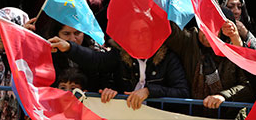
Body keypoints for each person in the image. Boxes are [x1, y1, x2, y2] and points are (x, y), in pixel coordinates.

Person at [49, 30, 190, 110]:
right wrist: (68, 47)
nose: (139, 39)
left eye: (144, 34)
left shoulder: (169, 59)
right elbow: (96, 60)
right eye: (134, 35)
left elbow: (182, 92)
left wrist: (149, 91)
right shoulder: (120, 55)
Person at [165, 15, 254, 113]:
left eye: (214, 28)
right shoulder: (188, 42)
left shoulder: (234, 51)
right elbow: (169, 29)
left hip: (227, 114)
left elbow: (248, 86)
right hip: (190, 114)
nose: (207, 33)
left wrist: (224, 96)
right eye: (204, 27)